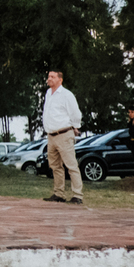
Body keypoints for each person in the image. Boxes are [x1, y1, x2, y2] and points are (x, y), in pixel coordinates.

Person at [41, 70, 84, 205]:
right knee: (55, 166)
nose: (49, 79)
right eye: (49, 76)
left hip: (64, 134)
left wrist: (75, 127)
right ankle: (59, 193)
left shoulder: (66, 95)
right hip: (51, 136)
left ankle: (77, 195)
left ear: (60, 80)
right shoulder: (48, 93)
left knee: (71, 165)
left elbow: (75, 113)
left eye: (53, 77)